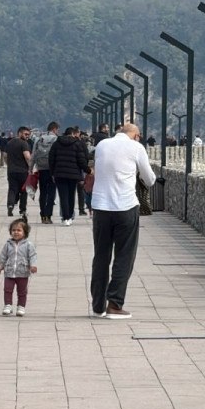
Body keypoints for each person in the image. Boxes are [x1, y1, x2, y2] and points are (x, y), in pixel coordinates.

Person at [89, 124, 157, 319]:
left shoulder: (102, 145)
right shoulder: (136, 147)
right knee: (124, 256)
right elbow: (150, 179)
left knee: (101, 256)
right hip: (125, 206)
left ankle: (98, 306)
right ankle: (115, 304)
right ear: (136, 135)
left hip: (101, 207)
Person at [0, 218, 37, 317]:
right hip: (9, 272)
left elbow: (33, 256)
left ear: (25, 233)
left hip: (23, 272)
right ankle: (8, 305)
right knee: (7, 289)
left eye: (19, 230)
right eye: (13, 230)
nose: (16, 232)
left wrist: (33, 266)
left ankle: (21, 307)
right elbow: (3, 256)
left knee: (22, 291)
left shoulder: (28, 245)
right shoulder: (8, 244)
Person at [49, 126, 89, 226]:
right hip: (73, 175)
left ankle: (65, 217)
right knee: (71, 196)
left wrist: (52, 173)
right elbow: (81, 160)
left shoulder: (56, 144)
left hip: (59, 174)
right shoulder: (77, 144)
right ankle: (70, 216)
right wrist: (88, 170)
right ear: (72, 134)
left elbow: (51, 159)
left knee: (63, 196)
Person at [32, 121, 60, 224]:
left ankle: (43, 215)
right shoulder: (56, 139)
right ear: (54, 129)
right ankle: (48, 215)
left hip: (41, 169)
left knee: (43, 192)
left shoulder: (39, 139)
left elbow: (33, 154)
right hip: (52, 170)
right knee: (51, 192)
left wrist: (30, 168)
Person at [4, 126, 33, 218]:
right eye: (26, 134)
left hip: (11, 171)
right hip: (23, 171)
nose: (27, 136)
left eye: (28, 135)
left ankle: (10, 205)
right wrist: (31, 168)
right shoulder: (24, 144)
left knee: (12, 189)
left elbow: (5, 155)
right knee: (24, 191)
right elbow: (27, 157)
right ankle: (22, 210)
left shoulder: (9, 143)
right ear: (19, 133)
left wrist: (8, 164)